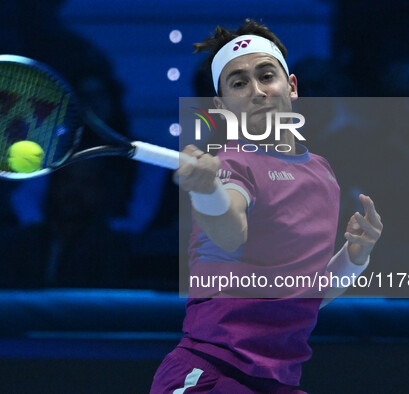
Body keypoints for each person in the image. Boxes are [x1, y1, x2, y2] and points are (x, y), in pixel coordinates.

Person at [150, 20, 383, 393]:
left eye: (266, 76)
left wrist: (355, 258)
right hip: (210, 375)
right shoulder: (232, 164)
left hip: (279, 383)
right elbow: (230, 233)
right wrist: (207, 190)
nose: (257, 91)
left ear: (291, 86)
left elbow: (305, 295)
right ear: (221, 105)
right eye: (239, 83)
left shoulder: (322, 174)